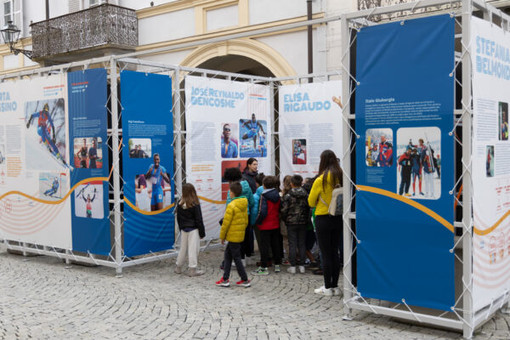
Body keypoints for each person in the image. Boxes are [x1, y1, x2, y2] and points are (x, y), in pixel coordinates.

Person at [308, 149, 343, 296]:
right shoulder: (340, 176)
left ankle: (327, 287)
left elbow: (310, 202)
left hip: (323, 217)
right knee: (335, 252)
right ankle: (335, 285)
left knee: (326, 253)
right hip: (338, 217)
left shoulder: (320, 179)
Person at [216, 182, 251, 288]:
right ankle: (225, 278)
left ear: (232, 192)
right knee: (228, 256)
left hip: (232, 236)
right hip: (239, 234)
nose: (229, 193)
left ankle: (244, 279)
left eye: (230, 191)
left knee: (236, 258)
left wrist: (222, 236)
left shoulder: (231, 205)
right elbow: (245, 221)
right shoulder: (244, 203)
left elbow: (226, 223)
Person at [223, 167, 255, 263]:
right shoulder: (246, 185)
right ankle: (248, 257)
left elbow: (229, 205)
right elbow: (252, 201)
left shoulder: (232, 189)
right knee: (247, 237)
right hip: (247, 215)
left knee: (237, 239)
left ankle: (240, 260)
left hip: (236, 217)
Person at [175, 183, 206, 277]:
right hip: (193, 229)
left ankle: (178, 267)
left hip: (184, 229)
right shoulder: (195, 204)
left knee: (183, 249)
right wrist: (202, 233)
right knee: (193, 249)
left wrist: (181, 229)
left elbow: (178, 219)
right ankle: (192, 269)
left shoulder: (180, 203)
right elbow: (199, 219)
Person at [281, 175, 309, 274]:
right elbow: (308, 208)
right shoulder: (305, 194)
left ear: (291, 183)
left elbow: (284, 210)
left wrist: (285, 219)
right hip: (302, 222)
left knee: (292, 243)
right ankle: (302, 266)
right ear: (301, 183)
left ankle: (293, 266)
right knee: (301, 243)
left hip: (291, 222)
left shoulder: (288, 196)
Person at [253, 176, 282, 275]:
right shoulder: (277, 195)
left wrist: (258, 221)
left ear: (264, 185)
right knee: (276, 245)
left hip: (265, 224)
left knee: (264, 246)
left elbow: (262, 211)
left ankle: (264, 267)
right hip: (275, 223)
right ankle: (277, 265)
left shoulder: (264, 196)